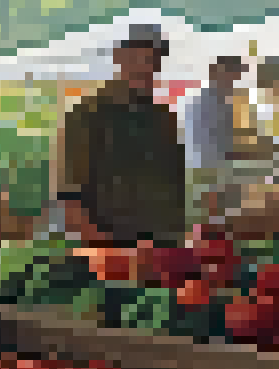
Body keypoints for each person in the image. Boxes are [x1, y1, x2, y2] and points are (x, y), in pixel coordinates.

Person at [56, 23, 184, 246]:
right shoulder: (87, 114)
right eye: (136, 58)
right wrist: (111, 255)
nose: (145, 67)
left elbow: (176, 188)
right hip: (111, 252)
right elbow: (70, 201)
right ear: (119, 58)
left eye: (152, 59)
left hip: (164, 251)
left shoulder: (165, 117)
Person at [181, 55, 248, 220]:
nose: (232, 80)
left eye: (235, 76)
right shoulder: (205, 103)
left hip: (216, 176)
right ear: (215, 73)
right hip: (209, 178)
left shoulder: (223, 104)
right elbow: (204, 148)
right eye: (230, 74)